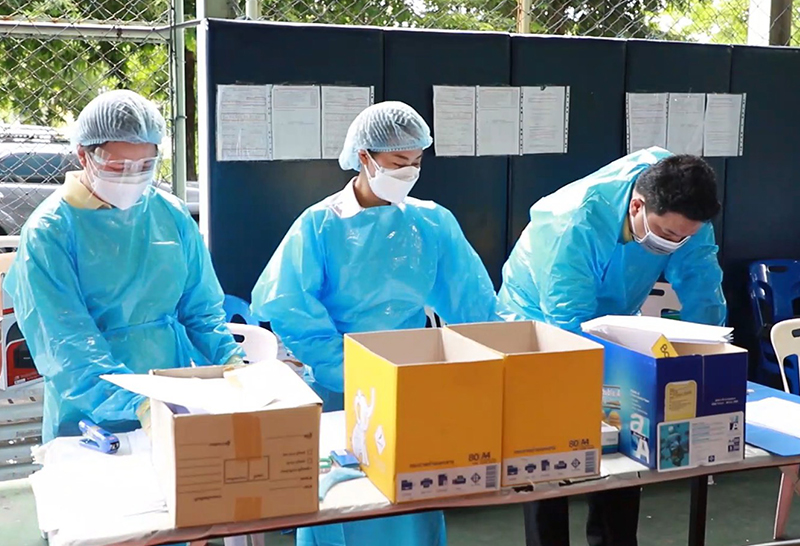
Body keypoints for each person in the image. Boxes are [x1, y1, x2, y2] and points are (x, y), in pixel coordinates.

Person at [251, 101, 500, 546]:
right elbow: (288, 304)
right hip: (340, 384)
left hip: (411, 380)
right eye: (398, 163)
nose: (409, 173)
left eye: (416, 163)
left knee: (411, 494)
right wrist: (346, 368)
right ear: (364, 157)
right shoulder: (320, 225)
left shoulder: (431, 222)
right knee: (343, 502)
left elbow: (473, 303)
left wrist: (496, 360)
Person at [498, 147, 725, 546]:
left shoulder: (685, 208)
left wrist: (706, 362)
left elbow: (702, 285)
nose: (675, 243)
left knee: (625, 437)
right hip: (539, 319)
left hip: (614, 318)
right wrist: (604, 383)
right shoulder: (573, 222)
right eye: (668, 235)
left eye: (684, 237)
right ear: (637, 206)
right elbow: (567, 322)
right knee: (548, 447)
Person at [5, 90, 243, 443]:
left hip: (172, 391)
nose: (132, 177)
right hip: (88, 414)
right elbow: (66, 344)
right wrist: (139, 404)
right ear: (83, 155)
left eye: (145, 166)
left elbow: (201, 311)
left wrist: (234, 364)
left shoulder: (170, 214)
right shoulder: (50, 232)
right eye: (118, 167)